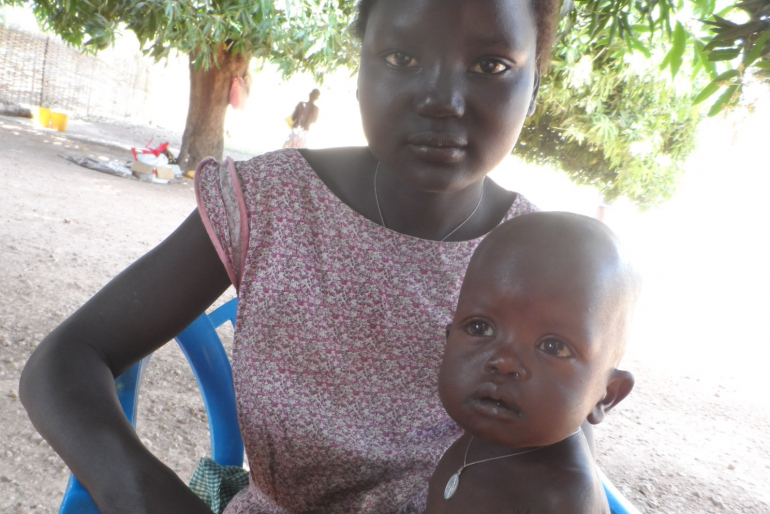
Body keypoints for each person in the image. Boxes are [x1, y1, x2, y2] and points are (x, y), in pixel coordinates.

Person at [19, 0, 568, 513]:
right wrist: (144, 491)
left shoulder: (541, 257)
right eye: (401, 57)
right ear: (360, 72)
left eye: (492, 65)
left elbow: (566, 454)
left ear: (535, 88)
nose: (441, 100)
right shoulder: (272, 202)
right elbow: (68, 357)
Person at [424, 212, 637, 514]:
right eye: (479, 328)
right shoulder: (486, 437)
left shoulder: (560, 501)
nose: (504, 362)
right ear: (448, 340)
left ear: (607, 394)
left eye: (554, 347)